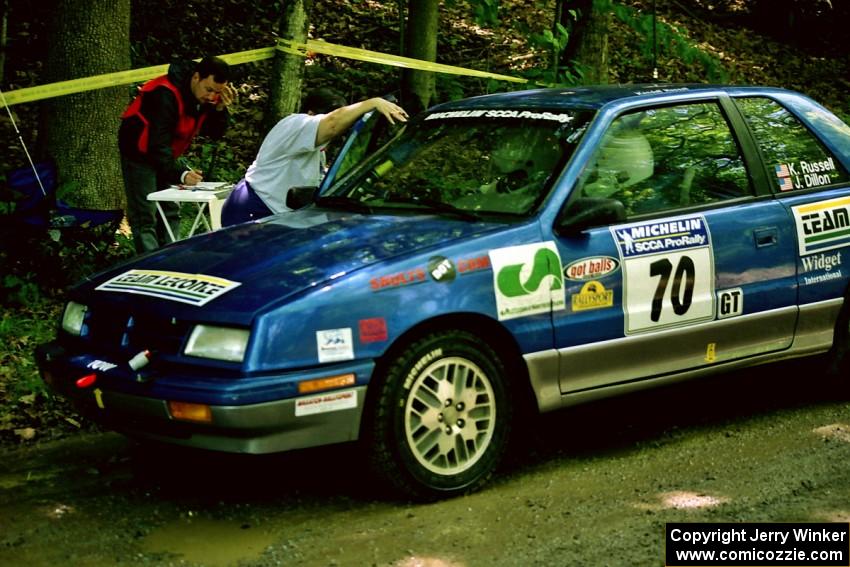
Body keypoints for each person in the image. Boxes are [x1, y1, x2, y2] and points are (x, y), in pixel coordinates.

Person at [221, 89, 408, 226]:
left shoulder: (314, 148)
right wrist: (372, 102)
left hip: (278, 215)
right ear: (311, 113)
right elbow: (333, 123)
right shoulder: (296, 124)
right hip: (253, 210)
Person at [119, 56, 237, 253]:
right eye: (209, 90)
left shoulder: (205, 97)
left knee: (170, 210)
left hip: (166, 153)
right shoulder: (164, 95)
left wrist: (219, 109)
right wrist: (181, 174)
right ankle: (150, 264)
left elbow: (213, 133)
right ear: (196, 77)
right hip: (139, 153)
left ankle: (172, 257)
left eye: (217, 92)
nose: (211, 97)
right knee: (145, 215)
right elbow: (156, 145)